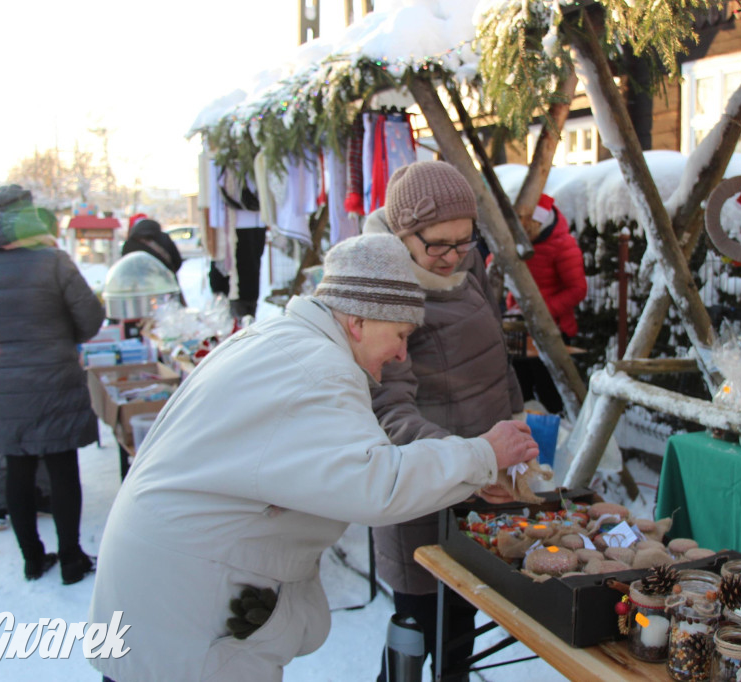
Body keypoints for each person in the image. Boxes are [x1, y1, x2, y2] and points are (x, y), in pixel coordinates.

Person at [87, 233, 538, 682]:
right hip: (185, 611)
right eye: (400, 334)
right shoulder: (319, 369)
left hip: (164, 591)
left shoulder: (284, 340)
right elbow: (376, 484)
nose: (403, 353)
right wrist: (483, 453)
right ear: (358, 321)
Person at [363, 161, 525, 681]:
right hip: (420, 495)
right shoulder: (386, 295)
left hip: (481, 488)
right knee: (417, 634)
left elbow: (495, 359)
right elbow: (390, 414)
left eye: (464, 241)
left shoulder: (462, 266)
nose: (453, 256)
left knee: (460, 631)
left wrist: (517, 428)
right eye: (437, 244)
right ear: (402, 234)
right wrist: (479, 461)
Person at [0, 184, 105, 582]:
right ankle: (70, 559)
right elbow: (91, 320)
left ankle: (32, 558)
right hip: (55, 383)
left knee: (18, 468)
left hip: (1, 391)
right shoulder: (53, 261)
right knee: (63, 469)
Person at [505, 193, 588, 414]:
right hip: (518, 328)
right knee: (519, 389)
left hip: (552, 329)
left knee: (550, 392)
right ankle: (526, 438)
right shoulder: (516, 242)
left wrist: (542, 311)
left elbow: (578, 289)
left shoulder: (563, 245)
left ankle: (555, 437)